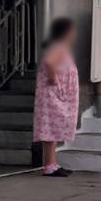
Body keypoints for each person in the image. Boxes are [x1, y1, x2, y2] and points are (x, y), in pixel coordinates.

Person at [33, 17, 79, 177]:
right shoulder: (58, 47)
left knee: (52, 131)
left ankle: (52, 163)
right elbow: (49, 62)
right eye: (72, 31)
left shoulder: (60, 46)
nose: (74, 34)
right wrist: (54, 80)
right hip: (53, 95)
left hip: (56, 95)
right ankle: (49, 166)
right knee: (50, 130)